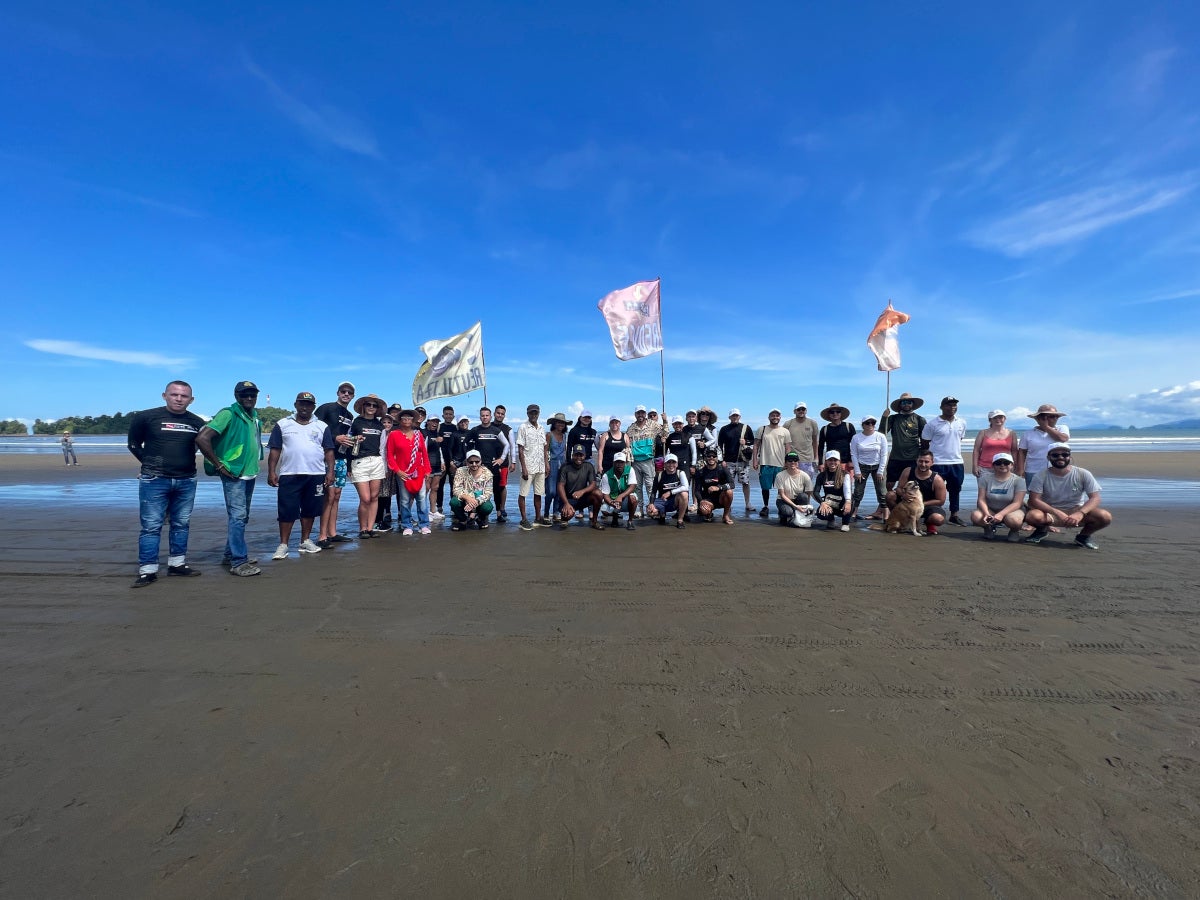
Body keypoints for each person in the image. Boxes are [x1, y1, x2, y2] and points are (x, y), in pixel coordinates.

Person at [127, 380, 206, 588]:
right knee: (151, 526)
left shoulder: (197, 422)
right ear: (165, 395)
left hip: (186, 480)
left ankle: (177, 564)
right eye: (174, 394)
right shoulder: (146, 417)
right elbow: (133, 444)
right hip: (154, 480)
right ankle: (148, 570)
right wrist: (149, 465)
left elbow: (200, 445)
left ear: (191, 399)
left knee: (181, 524)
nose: (179, 399)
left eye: (184, 396)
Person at [196, 380, 264, 576]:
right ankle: (238, 561)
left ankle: (231, 554)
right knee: (238, 516)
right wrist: (219, 465)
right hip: (233, 472)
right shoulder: (228, 413)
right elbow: (202, 438)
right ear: (236, 396)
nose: (249, 398)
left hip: (248, 473)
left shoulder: (253, 416)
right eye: (245, 395)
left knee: (242, 516)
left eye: (252, 394)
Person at [267, 392, 335, 560]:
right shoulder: (283, 424)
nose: (305, 407)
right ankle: (283, 544)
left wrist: (330, 471)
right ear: (295, 405)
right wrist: (271, 471)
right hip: (290, 474)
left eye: (309, 404)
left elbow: (329, 450)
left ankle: (305, 540)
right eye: (301, 404)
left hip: (315, 474)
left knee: (310, 510)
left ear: (313, 407)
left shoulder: (321, 426)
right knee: (287, 510)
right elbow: (275, 449)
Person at [1024, 443, 1111, 550]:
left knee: (1105, 516)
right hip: (1051, 513)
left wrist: (1080, 513)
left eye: (1064, 454)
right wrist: (1057, 512)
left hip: (1076, 510)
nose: (1060, 457)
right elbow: (1034, 499)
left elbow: (1095, 498)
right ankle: (1041, 531)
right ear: (1048, 457)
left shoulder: (1083, 473)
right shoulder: (1041, 475)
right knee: (1032, 516)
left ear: (1069, 456)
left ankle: (1083, 536)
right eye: (1055, 455)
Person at [314, 382, 356, 548]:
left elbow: (346, 436)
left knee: (337, 496)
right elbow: (314, 427)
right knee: (328, 497)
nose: (346, 394)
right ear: (338, 393)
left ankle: (332, 532)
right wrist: (334, 437)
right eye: (343, 391)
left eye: (350, 393)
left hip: (341, 458)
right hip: (325, 457)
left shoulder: (350, 415)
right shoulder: (327, 408)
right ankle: (322, 535)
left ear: (353, 396)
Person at [345, 394, 387, 540]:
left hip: (376, 461)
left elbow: (382, 447)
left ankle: (370, 528)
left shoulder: (379, 425)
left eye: (374, 405)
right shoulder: (356, 422)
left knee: (375, 497)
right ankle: (362, 528)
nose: (371, 407)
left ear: (377, 409)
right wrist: (354, 439)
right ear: (363, 406)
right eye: (368, 404)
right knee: (365, 498)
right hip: (359, 462)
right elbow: (346, 441)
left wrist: (384, 465)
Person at [386, 409, 433, 536]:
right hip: (403, 473)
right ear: (400, 420)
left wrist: (428, 470)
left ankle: (424, 524)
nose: (407, 420)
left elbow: (424, 453)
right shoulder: (394, 434)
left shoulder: (419, 435)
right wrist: (397, 471)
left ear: (413, 420)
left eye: (409, 418)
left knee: (422, 498)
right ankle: (406, 524)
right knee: (405, 500)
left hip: (419, 472)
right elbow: (390, 455)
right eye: (404, 418)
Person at [921, 396, 967, 525]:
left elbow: (959, 439)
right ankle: (931, 514)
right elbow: (925, 443)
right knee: (933, 490)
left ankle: (954, 514)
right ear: (941, 407)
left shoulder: (961, 422)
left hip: (956, 462)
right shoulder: (932, 424)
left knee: (955, 489)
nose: (952, 407)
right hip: (937, 463)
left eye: (954, 405)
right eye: (948, 405)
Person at [970, 452, 1026, 541]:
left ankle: (1014, 531)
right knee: (976, 516)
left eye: (1006, 463)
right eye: (998, 463)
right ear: (993, 465)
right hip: (991, 509)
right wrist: (986, 513)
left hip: (1012, 511)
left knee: (1014, 520)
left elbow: (1017, 502)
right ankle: (988, 528)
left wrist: (1001, 514)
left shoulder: (1019, 481)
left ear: (1012, 465)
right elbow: (981, 499)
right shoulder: (985, 479)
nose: (1002, 465)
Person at [889, 450, 947, 535]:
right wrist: (903, 495)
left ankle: (929, 523)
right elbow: (898, 488)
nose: (923, 464)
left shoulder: (937, 479)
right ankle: (897, 520)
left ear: (932, 463)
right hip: (907, 503)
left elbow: (940, 500)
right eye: (921, 461)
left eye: (926, 462)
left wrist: (921, 504)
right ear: (917, 461)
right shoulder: (908, 471)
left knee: (938, 518)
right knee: (890, 496)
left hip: (926, 506)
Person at [467, 407, 510, 522]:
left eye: (487, 415)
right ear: (480, 417)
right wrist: (469, 459)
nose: (484, 417)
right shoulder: (475, 430)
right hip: (479, 466)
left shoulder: (496, 430)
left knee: (496, 490)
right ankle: (479, 514)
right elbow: (465, 443)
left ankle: (499, 514)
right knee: (478, 490)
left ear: (490, 417)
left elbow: (507, 444)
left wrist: (501, 459)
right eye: (482, 415)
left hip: (493, 466)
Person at [879, 392, 926, 491]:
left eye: (909, 402)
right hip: (896, 457)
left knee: (911, 485)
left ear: (912, 404)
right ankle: (889, 503)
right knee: (889, 484)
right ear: (900, 405)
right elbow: (881, 433)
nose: (906, 404)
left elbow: (925, 439)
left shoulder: (919, 419)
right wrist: (884, 418)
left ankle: (908, 504)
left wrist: (923, 456)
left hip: (913, 458)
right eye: (904, 402)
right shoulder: (893, 418)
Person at [516, 403, 551, 529]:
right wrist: (524, 467)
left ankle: (538, 517)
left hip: (540, 466)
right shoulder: (523, 427)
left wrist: (546, 464)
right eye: (531, 413)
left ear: (539, 413)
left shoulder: (541, 428)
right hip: (528, 467)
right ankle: (524, 519)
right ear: (527, 413)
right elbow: (520, 450)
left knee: (539, 493)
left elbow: (544, 448)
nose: (533, 415)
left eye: (535, 413)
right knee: (523, 493)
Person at [1018, 404, 1071, 487]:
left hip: (1057, 469)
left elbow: (1062, 438)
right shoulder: (1028, 434)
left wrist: (1046, 427)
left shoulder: (1062, 428)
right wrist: (1020, 470)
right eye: (1052, 416)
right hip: (1033, 470)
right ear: (1041, 418)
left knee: (1055, 495)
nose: (1055, 419)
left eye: (1056, 416)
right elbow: (1022, 452)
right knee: (1033, 496)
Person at [751, 408, 791, 518]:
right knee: (765, 487)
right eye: (772, 415)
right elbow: (756, 445)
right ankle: (766, 506)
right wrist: (755, 460)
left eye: (777, 415)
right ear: (769, 417)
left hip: (780, 464)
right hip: (765, 463)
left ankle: (781, 506)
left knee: (781, 488)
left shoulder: (785, 431)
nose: (775, 417)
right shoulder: (762, 429)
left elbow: (788, 448)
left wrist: (787, 463)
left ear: (780, 417)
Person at [557, 444, 605, 529]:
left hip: (582, 498)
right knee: (567, 516)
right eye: (576, 455)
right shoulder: (565, 467)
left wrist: (582, 491)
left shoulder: (588, 466)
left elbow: (593, 484)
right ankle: (564, 519)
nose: (579, 457)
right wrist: (566, 503)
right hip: (568, 499)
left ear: (585, 456)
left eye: (581, 455)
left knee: (598, 494)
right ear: (572, 455)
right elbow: (560, 486)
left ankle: (594, 521)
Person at [716, 409, 754, 515]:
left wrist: (746, 441)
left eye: (736, 415)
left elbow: (753, 442)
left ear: (740, 416)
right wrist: (721, 460)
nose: (735, 417)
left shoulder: (746, 428)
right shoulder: (724, 429)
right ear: (729, 417)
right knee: (728, 484)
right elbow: (719, 445)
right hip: (728, 461)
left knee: (745, 483)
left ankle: (748, 503)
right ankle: (729, 504)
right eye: (733, 416)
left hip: (743, 461)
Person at [850, 415, 888, 520]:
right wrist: (857, 471)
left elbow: (884, 454)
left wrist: (880, 471)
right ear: (863, 425)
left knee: (882, 492)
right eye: (868, 423)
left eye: (873, 422)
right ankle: (854, 512)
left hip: (877, 466)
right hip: (862, 466)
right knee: (858, 491)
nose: (870, 425)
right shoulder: (856, 437)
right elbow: (854, 454)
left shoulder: (881, 436)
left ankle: (886, 514)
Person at [625, 406, 660, 519]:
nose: (640, 415)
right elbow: (626, 443)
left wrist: (665, 421)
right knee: (637, 487)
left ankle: (651, 508)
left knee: (650, 485)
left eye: (642, 413)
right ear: (635, 414)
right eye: (638, 413)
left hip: (649, 461)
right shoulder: (631, 428)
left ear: (645, 414)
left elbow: (665, 433)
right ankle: (640, 509)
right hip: (635, 462)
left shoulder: (653, 424)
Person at [449, 449, 495, 531]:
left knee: (488, 507)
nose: (474, 464)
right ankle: (463, 520)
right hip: (464, 499)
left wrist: (475, 502)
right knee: (454, 502)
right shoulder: (460, 471)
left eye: (477, 462)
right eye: (471, 462)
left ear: (481, 461)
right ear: (467, 462)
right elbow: (456, 489)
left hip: (479, 499)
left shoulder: (488, 474)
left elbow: (488, 493)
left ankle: (480, 518)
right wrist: (467, 498)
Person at [813, 450, 853, 531]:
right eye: (830, 460)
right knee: (820, 513)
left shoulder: (845, 474)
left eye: (835, 460)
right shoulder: (821, 475)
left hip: (842, 501)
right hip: (829, 502)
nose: (833, 462)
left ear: (839, 461)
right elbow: (816, 492)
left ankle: (845, 523)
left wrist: (848, 502)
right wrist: (822, 503)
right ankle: (831, 520)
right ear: (826, 462)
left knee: (850, 501)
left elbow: (847, 490)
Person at [773, 450, 814, 528]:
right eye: (790, 460)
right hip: (783, 500)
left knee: (803, 496)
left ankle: (799, 516)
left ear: (798, 463)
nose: (792, 462)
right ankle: (783, 515)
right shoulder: (780, 475)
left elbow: (809, 493)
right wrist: (795, 507)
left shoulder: (805, 475)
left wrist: (807, 507)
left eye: (795, 460)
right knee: (787, 512)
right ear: (786, 463)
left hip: (798, 500)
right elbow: (782, 495)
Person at [693, 447, 735, 524]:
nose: (711, 458)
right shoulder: (700, 472)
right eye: (709, 456)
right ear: (705, 458)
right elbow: (697, 491)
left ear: (717, 458)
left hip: (721, 498)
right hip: (707, 498)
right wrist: (701, 501)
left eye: (714, 456)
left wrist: (718, 487)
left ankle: (725, 515)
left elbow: (732, 485)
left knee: (729, 492)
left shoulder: (723, 469)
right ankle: (708, 514)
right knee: (704, 510)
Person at [971, 410, 1018, 477]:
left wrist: (1015, 465)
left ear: (1005, 419)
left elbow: (1014, 451)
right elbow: (976, 450)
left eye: (1000, 417)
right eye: (995, 418)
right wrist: (975, 466)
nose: (998, 419)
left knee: (1004, 487)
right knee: (984, 487)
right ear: (990, 420)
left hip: (1005, 467)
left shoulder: (1012, 433)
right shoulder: (982, 433)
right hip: (985, 468)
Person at [648, 453, 690, 528]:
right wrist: (651, 503)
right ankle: (661, 515)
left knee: (684, 494)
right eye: (668, 462)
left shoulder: (680, 473)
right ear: (664, 464)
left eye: (673, 462)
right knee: (650, 512)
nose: (671, 465)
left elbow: (686, 487)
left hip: (674, 501)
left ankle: (680, 520)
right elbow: (653, 492)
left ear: (677, 464)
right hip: (662, 501)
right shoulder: (659, 476)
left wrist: (670, 492)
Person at [600, 450, 638, 530]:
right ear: (613, 463)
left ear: (625, 463)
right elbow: (606, 494)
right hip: (612, 499)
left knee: (633, 499)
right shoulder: (606, 475)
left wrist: (620, 496)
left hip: (626, 498)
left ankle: (630, 521)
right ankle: (615, 517)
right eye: (617, 462)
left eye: (621, 462)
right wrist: (611, 502)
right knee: (604, 511)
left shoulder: (630, 470)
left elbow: (632, 486)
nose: (619, 465)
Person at [544, 412, 571, 522]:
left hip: (562, 465)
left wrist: (567, 465)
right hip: (552, 464)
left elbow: (564, 450)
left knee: (560, 490)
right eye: (558, 422)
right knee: (551, 491)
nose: (560, 425)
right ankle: (546, 513)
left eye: (562, 423)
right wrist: (546, 465)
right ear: (554, 423)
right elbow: (545, 451)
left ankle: (555, 512)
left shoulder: (564, 436)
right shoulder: (549, 435)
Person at [817, 404, 856, 474]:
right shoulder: (824, 429)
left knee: (847, 484)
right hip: (830, 463)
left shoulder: (849, 426)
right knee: (830, 484)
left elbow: (854, 445)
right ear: (829, 414)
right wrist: (820, 463)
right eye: (832, 412)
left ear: (841, 414)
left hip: (846, 463)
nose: (835, 413)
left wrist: (851, 460)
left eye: (837, 411)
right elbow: (821, 448)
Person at [492, 404, 514, 522]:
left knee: (501, 486)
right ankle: (487, 510)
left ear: (504, 415)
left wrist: (514, 461)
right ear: (494, 413)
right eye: (498, 413)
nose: (500, 415)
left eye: (502, 413)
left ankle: (502, 508)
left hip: (503, 462)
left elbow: (512, 445)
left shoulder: (508, 429)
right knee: (488, 487)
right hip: (488, 462)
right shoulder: (488, 426)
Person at [783, 402, 819, 477]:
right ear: (794, 411)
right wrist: (784, 459)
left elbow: (815, 442)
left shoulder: (813, 423)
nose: (801, 411)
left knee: (807, 485)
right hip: (792, 460)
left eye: (803, 409)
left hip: (808, 460)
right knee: (793, 485)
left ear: (806, 411)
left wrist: (816, 458)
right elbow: (783, 443)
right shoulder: (788, 424)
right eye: (798, 409)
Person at [435, 405, 458, 515]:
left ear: (453, 416)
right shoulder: (439, 427)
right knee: (439, 485)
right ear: (443, 415)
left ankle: (454, 508)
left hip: (453, 461)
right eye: (446, 414)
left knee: (454, 485)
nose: (448, 416)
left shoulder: (455, 428)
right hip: (442, 461)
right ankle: (439, 507)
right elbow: (436, 443)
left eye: (450, 414)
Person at [423, 414, 446, 523]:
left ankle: (433, 510)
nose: (434, 423)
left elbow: (440, 450)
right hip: (427, 465)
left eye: (436, 422)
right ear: (427, 422)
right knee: (426, 489)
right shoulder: (424, 433)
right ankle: (424, 512)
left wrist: (442, 462)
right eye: (432, 421)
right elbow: (423, 449)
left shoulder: (437, 434)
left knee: (435, 488)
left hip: (437, 464)